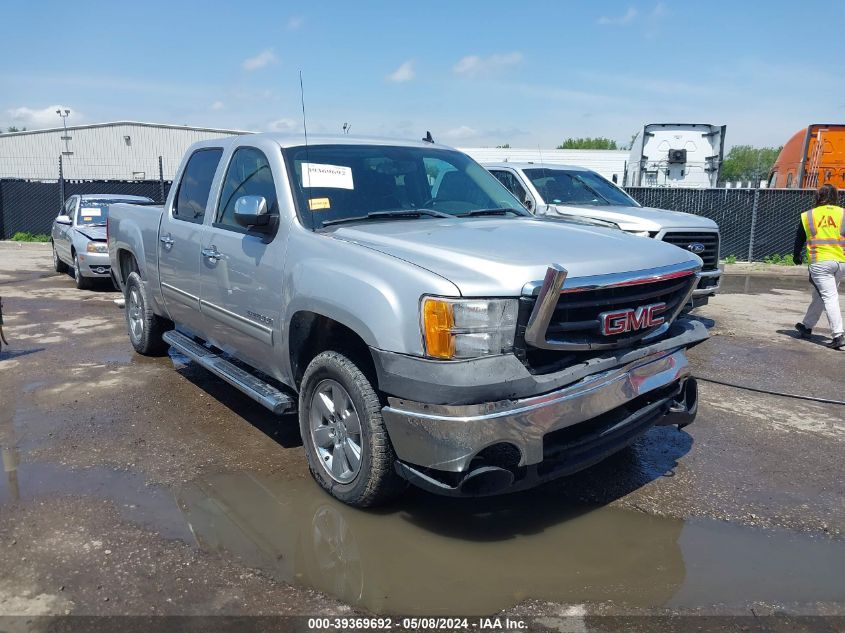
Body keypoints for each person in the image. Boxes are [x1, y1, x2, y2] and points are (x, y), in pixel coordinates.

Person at [792, 184, 845, 349]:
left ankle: (838, 335)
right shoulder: (843, 213)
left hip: (820, 262)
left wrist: (796, 255)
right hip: (841, 262)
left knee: (829, 297)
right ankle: (807, 326)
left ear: (818, 196)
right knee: (821, 295)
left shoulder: (809, 215)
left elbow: (799, 237)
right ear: (836, 196)